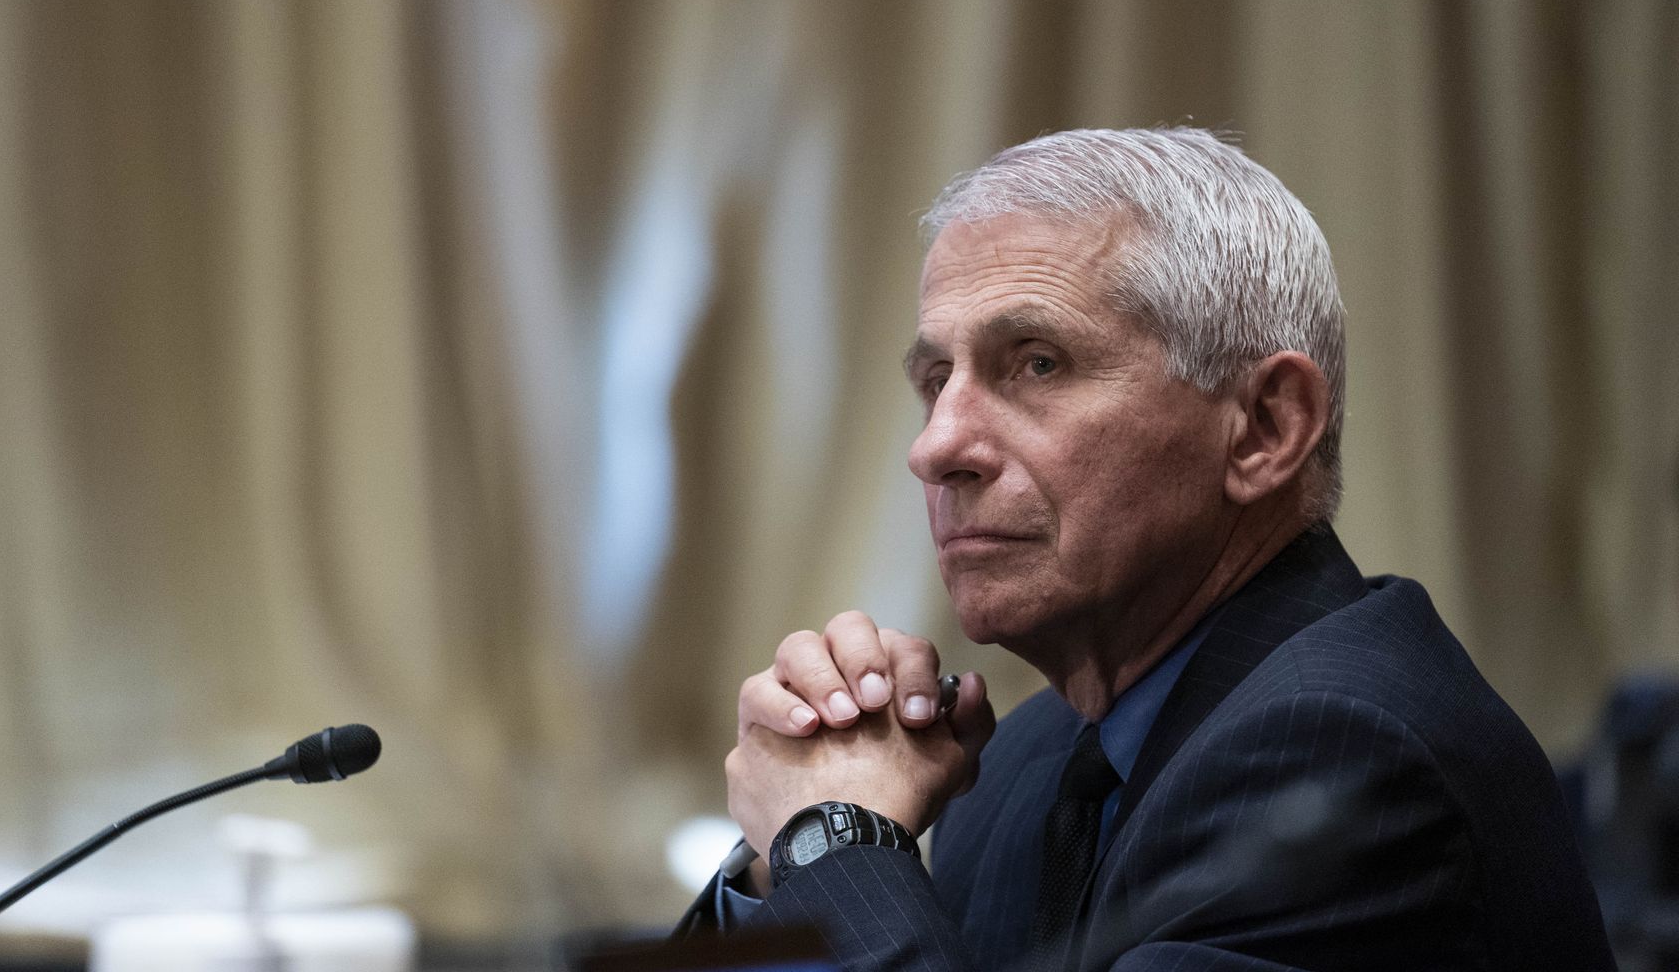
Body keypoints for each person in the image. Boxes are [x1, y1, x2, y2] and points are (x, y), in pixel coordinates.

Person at [677, 129, 1614, 970]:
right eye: (935, 380)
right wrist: (778, 871)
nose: (936, 446)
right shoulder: (1024, 760)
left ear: (1263, 428)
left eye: (1037, 364)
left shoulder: (1346, 757)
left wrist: (833, 844)